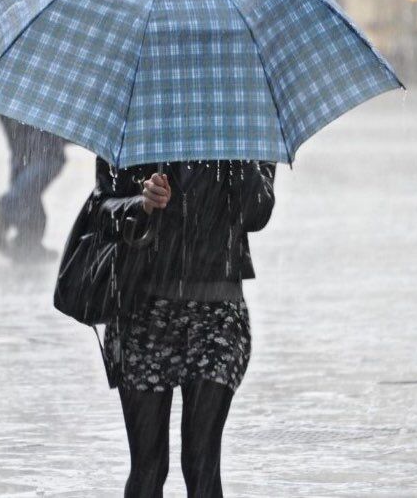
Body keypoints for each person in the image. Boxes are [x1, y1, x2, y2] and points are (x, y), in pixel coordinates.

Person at [85, 159, 275, 496]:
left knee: (202, 461)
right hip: (141, 313)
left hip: (217, 316)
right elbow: (100, 210)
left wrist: (235, 149)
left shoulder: (244, 123)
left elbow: (256, 212)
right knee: (148, 465)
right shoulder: (139, 124)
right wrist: (140, 204)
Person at [0, 117, 66, 262]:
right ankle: (4, 210)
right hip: (36, 104)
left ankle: (27, 242)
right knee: (49, 156)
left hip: (13, 102)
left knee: (25, 156)